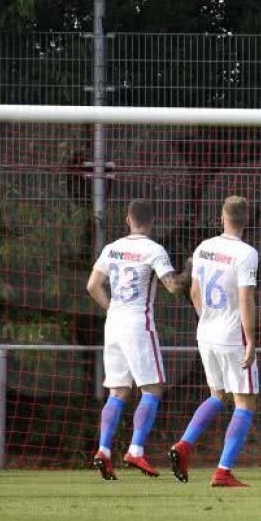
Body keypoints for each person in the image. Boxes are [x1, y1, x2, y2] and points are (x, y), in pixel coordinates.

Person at [86, 200, 189, 481]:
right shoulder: (153, 250)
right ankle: (135, 449)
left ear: (127, 219)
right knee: (152, 389)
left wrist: (110, 308)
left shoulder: (112, 248)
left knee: (117, 391)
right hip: (138, 325)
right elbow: (173, 286)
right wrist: (190, 269)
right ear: (152, 221)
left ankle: (104, 450)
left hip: (114, 324)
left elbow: (92, 285)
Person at [167, 196, 259, 488]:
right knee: (245, 402)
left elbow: (194, 291)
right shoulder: (246, 253)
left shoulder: (204, 248)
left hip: (206, 332)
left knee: (218, 396)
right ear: (247, 220)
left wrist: (207, 319)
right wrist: (251, 340)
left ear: (222, 217)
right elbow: (246, 297)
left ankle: (184, 444)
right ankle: (223, 471)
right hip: (233, 336)